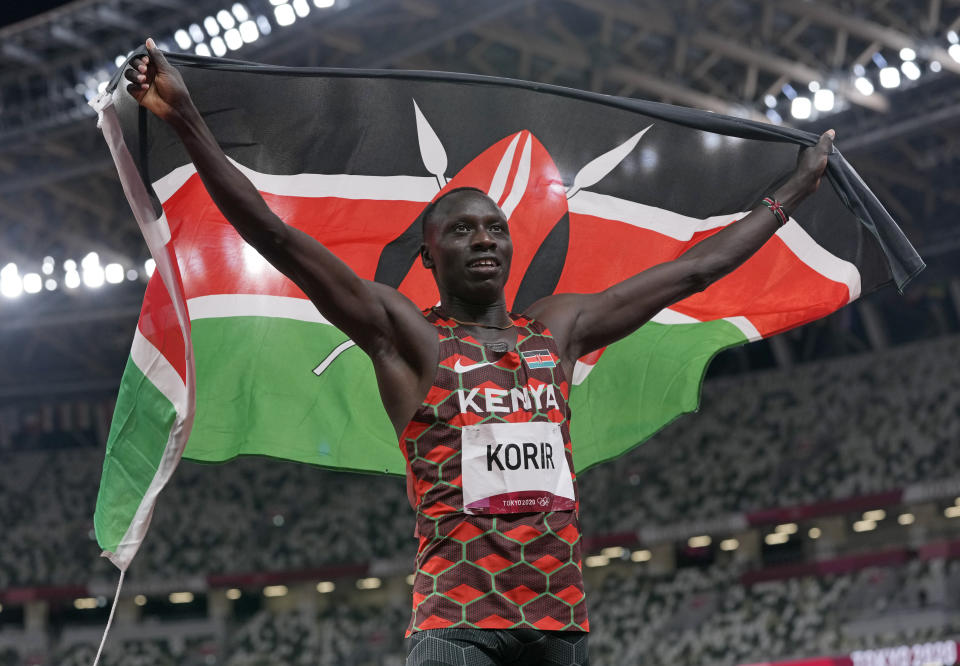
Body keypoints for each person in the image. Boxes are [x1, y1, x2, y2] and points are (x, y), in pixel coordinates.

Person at [125, 38, 834, 666]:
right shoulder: (408, 337)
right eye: (462, 232)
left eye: (495, 227)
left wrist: (792, 192)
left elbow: (691, 273)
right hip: (459, 627)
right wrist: (187, 121)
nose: (486, 239)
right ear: (428, 257)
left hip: (561, 627)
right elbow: (278, 241)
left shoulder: (556, 330)